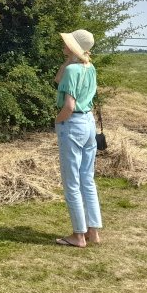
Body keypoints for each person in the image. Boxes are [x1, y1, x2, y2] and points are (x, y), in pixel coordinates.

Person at [53, 29, 102, 247]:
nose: (64, 44)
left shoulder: (73, 70)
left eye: (68, 43)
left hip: (73, 124)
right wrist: (72, 58)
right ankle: (93, 232)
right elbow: (58, 79)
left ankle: (78, 235)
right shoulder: (88, 67)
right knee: (87, 179)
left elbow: (69, 106)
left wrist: (57, 121)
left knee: (71, 181)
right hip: (89, 123)